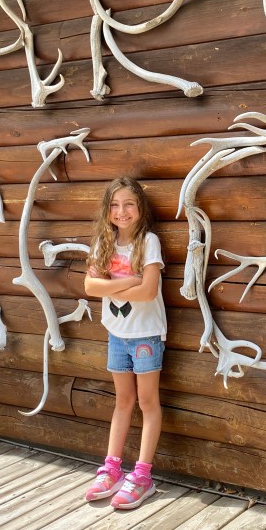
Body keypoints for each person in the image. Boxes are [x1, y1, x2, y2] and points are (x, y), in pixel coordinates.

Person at [82, 176, 167, 509]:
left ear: (140, 208)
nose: (122, 211)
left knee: (147, 402)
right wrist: (132, 278)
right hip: (116, 334)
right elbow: (90, 287)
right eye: (115, 205)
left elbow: (149, 292)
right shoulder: (103, 243)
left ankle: (143, 475)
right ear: (107, 210)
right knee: (122, 402)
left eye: (129, 203)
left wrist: (113, 285)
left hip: (145, 334)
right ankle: (112, 468)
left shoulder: (149, 242)